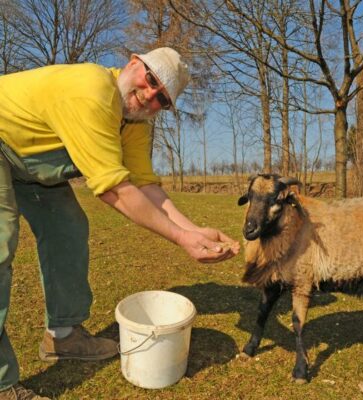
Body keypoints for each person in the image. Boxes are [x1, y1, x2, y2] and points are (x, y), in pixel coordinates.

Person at [0, 47, 240, 399]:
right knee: (1, 238)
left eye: (162, 99)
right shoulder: (92, 89)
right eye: (151, 80)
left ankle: (63, 336)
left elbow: (143, 184)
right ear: (132, 62)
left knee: (68, 227)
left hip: (31, 166)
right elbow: (115, 190)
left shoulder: (136, 122)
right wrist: (179, 239)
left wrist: (191, 231)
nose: (149, 96)